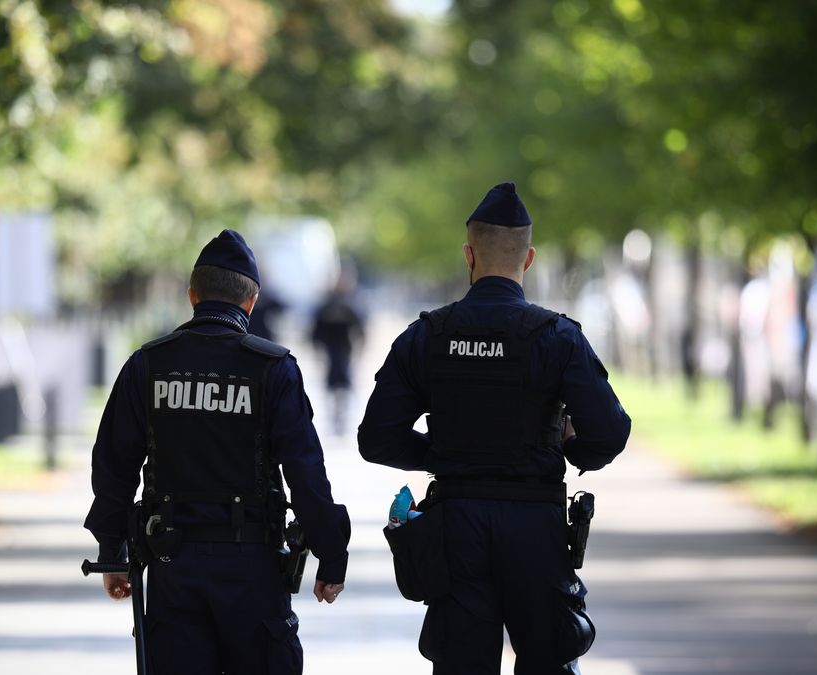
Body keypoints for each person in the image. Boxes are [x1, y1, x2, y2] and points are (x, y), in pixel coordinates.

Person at [357, 182, 631, 675]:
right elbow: (608, 435)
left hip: (456, 524)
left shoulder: (426, 336)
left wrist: (442, 454)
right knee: (549, 661)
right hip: (536, 527)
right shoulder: (557, 338)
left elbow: (377, 438)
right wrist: (574, 448)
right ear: (528, 260)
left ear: (468, 254)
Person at [84, 229, 351, 674]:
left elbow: (114, 463)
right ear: (251, 301)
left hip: (174, 569)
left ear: (192, 295)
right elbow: (306, 471)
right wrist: (332, 555)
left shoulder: (148, 364)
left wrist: (113, 550)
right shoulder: (274, 369)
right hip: (253, 571)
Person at [310, 267, 365, 435]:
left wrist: (360, 349)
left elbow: (360, 328)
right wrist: (316, 347)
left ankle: (341, 417)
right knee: (331, 384)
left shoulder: (351, 303)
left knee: (344, 384)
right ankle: (335, 416)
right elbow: (316, 328)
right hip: (330, 351)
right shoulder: (327, 304)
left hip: (345, 351)